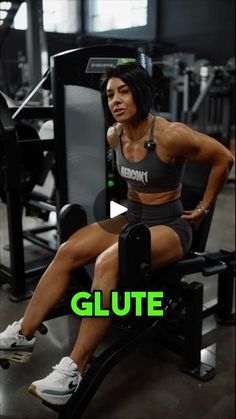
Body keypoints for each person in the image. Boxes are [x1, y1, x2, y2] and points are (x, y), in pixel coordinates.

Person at [0, 63, 233, 406]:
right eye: (110, 94)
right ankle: (24, 333)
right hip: (132, 218)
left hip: (169, 226)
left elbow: (223, 158)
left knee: (110, 261)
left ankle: (73, 370)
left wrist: (204, 207)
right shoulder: (115, 135)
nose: (116, 100)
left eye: (123, 91)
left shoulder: (170, 134)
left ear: (140, 92)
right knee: (68, 249)